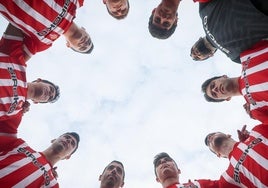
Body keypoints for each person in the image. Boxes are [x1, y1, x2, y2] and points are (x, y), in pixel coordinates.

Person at [0, 28, 60, 136]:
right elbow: (16, 24)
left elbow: (7, 144)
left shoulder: (16, 116)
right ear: (39, 80)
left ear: (37, 102)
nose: (49, 93)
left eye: (50, 97)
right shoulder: (18, 62)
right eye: (51, 89)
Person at [201, 40, 268, 124]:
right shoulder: (256, 110)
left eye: (213, 85)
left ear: (223, 76)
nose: (215, 90)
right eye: (214, 94)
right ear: (227, 99)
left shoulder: (246, 56)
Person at [0, 0, 94, 58]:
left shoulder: (43, 43)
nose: (85, 44)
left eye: (82, 48)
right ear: (85, 29)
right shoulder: (76, 2)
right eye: (89, 42)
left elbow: (12, 61)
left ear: (68, 45)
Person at [193, 0, 268, 63]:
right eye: (197, 58)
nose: (195, 54)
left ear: (198, 39)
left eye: (192, 50)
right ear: (211, 55)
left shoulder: (203, 11)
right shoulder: (235, 58)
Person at [0, 131, 80, 187]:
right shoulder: (20, 145)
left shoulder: (52, 185)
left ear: (68, 156)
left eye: (72, 143)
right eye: (66, 137)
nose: (69, 140)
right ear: (53, 140)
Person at [204, 124, 268, 187]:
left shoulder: (256, 132)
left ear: (228, 135)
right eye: (209, 143)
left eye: (213, 134)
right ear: (218, 155)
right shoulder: (227, 177)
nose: (209, 137)